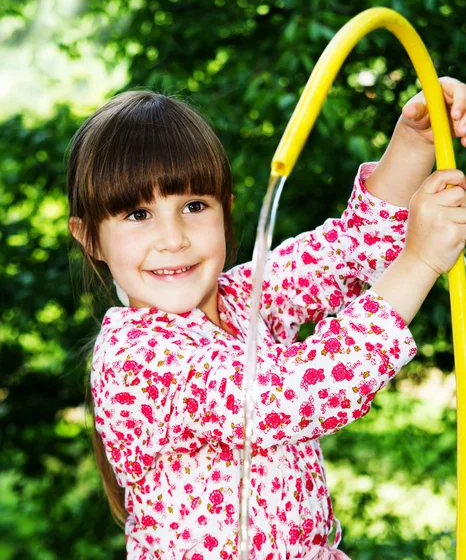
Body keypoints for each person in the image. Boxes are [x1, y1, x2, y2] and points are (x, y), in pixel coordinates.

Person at [67, 77, 466, 560]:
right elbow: (292, 394)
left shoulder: (246, 297)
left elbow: (350, 247)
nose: (172, 238)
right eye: (137, 214)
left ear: (225, 211)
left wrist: (416, 138)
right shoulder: (136, 356)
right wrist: (420, 262)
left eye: (194, 206)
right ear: (89, 238)